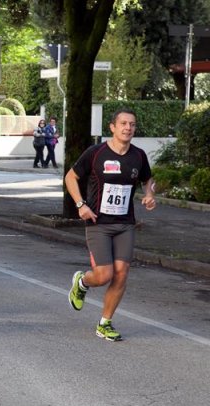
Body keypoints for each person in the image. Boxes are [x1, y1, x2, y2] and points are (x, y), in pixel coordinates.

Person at [65, 108, 156, 342]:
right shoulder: (96, 153)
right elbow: (71, 177)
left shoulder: (138, 156)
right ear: (112, 127)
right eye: (123, 123)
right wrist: (80, 205)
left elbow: (148, 179)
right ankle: (82, 282)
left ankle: (105, 322)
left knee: (121, 274)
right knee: (104, 275)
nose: (128, 128)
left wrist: (149, 194)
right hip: (99, 223)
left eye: (132, 124)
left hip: (125, 224)